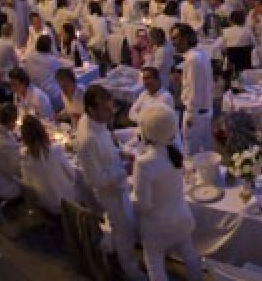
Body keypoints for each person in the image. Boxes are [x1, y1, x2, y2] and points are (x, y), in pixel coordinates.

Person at [76, 85, 143, 281]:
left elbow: (107, 145)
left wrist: (120, 152)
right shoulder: (88, 139)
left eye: (110, 107)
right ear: (90, 110)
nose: (111, 113)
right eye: (105, 109)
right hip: (111, 194)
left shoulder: (96, 122)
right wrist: (124, 172)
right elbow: (94, 180)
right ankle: (130, 271)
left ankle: (110, 249)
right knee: (125, 232)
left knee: (120, 228)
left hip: (117, 183)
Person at [132, 103, 203, 281]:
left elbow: (144, 205)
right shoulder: (175, 151)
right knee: (190, 254)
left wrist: (131, 198)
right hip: (180, 217)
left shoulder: (144, 163)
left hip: (157, 226)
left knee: (155, 265)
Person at [18, 115, 78, 213]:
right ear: (42, 131)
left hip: (44, 202)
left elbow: (28, 184)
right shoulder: (55, 150)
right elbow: (72, 175)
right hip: (66, 203)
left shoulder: (24, 158)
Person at [171, 22, 214, 153]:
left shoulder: (192, 59)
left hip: (195, 114)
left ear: (185, 39)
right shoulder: (199, 53)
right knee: (205, 150)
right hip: (205, 110)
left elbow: (193, 91)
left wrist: (190, 116)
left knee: (190, 152)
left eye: (175, 38)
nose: (173, 43)